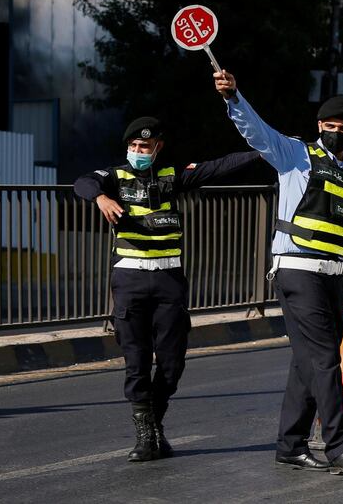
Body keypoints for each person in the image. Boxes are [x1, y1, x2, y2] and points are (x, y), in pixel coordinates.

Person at [213, 71, 343, 475]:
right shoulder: (295, 155)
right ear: (320, 127)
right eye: (330, 127)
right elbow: (257, 132)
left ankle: (290, 445)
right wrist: (234, 97)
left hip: (333, 275)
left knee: (308, 362)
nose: (337, 132)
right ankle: (340, 446)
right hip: (297, 270)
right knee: (324, 360)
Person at [74, 117, 260, 462]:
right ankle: (146, 436)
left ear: (158, 147)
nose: (137, 152)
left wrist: (263, 151)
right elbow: (82, 182)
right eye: (132, 147)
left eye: (144, 147)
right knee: (137, 360)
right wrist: (100, 198)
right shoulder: (114, 177)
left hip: (168, 279)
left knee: (173, 362)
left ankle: (155, 426)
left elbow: (217, 168)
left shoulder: (173, 176)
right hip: (129, 278)